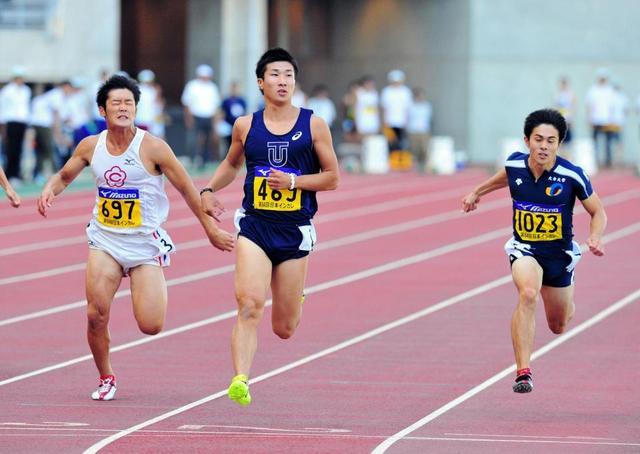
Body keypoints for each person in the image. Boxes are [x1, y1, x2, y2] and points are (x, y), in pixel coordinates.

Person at [37, 75, 234, 401]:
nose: (123, 107)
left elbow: (187, 189)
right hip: (105, 240)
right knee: (95, 314)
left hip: (144, 245)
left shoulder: (154, 147)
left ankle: (145, 281)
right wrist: (50, 190)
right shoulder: (91, 146)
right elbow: (64, 175)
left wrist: (210, 229)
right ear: (103, 109)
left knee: (151, 325)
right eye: (116, 102)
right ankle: (106, 376)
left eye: (129, 102)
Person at [200, 48, 339, 406]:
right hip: (255, 226)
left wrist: (294, 184)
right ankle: (240, 379)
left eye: (289, 75)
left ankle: (295, 296)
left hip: (294, 230)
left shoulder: (313, 124)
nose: (283, 81)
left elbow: (332, 177)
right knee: (249, 305)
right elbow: (232, 164)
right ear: (261, 82)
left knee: (284, 328)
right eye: (275, 75)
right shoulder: (246, 125)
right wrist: (210, 189)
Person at [462, 108, 606, 393]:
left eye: (550, 141)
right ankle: (523, 372)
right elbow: (501, 179)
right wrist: (476, 192)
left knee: (558, 324)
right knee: (527, 293)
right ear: (527, 140)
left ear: (559, 143)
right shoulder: (515, 165)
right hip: (524, 248)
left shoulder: (572, 175)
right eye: (538, 139)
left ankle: (567, 300)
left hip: (559, 255)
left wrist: (595, 237)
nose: (544, 146)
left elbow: (598, 211)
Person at [181, 64, 221, 166]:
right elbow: (187, 103)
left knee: (207, 139)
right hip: (195, 115)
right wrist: (188, 118)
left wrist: (215, 121)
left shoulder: (212, 87)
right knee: (193, 139)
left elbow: (216, 105)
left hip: (209, 116)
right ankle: (192, 159)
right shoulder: (192, 86)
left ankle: (204, 160)